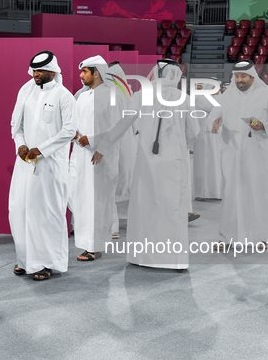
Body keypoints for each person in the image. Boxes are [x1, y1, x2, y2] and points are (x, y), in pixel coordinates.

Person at [93, 59, 200, 271]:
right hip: (174, 164)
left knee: (145, 207)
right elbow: (194, 132)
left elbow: (123, 124)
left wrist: (103, 147)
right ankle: (174, 261)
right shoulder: (184, 98)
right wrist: (180, 145)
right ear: (175, 75)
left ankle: (141, 256)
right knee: (172, 210)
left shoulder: (141, 96)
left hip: (146, 163)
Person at [8, 51, 75, 281]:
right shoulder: (25, 91)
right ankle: (25, 260)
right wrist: (21, 145)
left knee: (46, 214)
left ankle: (47, 263)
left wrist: (42, 149)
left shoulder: (64, 96)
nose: (35, 75)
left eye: (40, 71)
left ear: (53, 71)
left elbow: (68, 131)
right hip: (25, 163)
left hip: (50, 166)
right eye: (33, 71)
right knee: (20, 210)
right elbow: (16, 125)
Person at [207, 60, 268, 251]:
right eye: (237, 76)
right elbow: (213, 114)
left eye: (243, 76)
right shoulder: (227, 95)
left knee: (260, 193)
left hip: (260, 154)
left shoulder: (267, 94)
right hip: (232, 154)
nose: (240, 80)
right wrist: (213, 124)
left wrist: (264, 126)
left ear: (253, 76)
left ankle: (264, 237)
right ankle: (228, 238)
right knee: (231, 194)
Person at [70, 55, 123, 261]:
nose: (81, 75)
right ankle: (86, 243)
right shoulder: (83, 96)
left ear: (96, 73)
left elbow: (118, 125)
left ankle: (95, 246)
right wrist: (75, 134)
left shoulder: (112, 95)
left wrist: (91, 139)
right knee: (80, 198)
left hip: (101, 156)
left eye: (84, 72)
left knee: (97, 201)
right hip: (80, 156)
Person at [105, 61, 137, 239]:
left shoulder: (118, 93)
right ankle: (121, 219)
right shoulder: (127, 92)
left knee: (118, 178)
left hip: (117, 139)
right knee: (124, 177)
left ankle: (115, 222)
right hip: (127, 139)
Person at [192, 79, 222, 202]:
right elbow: (219, 109)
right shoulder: (201, 98)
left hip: (212, 136)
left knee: (213, 163)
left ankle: (213, 191)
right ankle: (201, 192)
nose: (219, 90)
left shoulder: (210, 98)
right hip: (203, 137)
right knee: (203, 164)